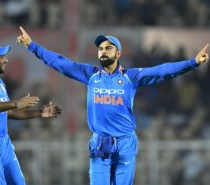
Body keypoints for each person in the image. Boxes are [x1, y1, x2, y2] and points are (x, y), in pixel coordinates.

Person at [17, 26, 209, 185]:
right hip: (101, 142)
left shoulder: (130, 77)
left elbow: (162, 71)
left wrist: (192, 63)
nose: (103, 51)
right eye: (100, 48)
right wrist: (32, 46)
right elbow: (60, 63)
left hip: (126, 143)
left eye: (108, 48)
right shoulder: (90, 74)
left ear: (119, 53)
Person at [0, 43, 62, 185]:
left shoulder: (0, 83)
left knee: (19, 182)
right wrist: (16, 103)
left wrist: (39, 113)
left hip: (3, 141)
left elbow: (9, 112)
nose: (6, 60)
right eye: (2, 57)